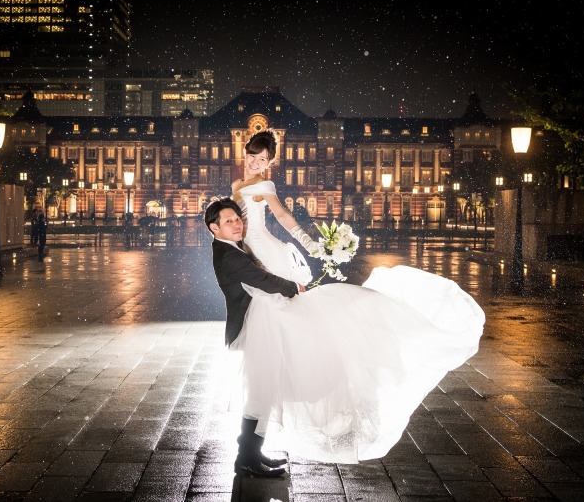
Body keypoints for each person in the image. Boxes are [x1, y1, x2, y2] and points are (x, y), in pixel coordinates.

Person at [228, 129, 485, 464]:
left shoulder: (264, 187)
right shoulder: (236, 187)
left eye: (263, 159)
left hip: (269, 258)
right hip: (253, 256)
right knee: (272, 335)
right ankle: (251, 447)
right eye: (253, 156)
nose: (256, 163)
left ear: (270, 164)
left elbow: (284, 218)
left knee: (274, 332)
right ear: (244, 152)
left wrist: (313, 245)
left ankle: (252, 447)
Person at [204, 198, 304, 478]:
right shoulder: (229, 255)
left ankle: (250, 453)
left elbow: (259, 275)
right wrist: (294, 287)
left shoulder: (231, 248)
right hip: (253, 327)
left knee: (263, 390)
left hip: (257, 323)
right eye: (228, 221)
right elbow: (261, 279)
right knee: (261, 391)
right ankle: (247, 457)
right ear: (214, 228)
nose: (236, 224)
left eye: (237, 219)